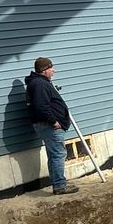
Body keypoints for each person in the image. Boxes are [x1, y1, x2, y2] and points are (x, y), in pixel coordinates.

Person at [24, 57, 79, 195]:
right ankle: (60, 185)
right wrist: (54, 121)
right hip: (49, 126)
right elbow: (42, 107)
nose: (53, 70)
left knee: (53, 154)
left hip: (45, 125)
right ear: (44, 70)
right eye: (51, 68)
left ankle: (58, 183)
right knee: (59, 154)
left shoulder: (39, 83)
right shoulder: (39, 84)